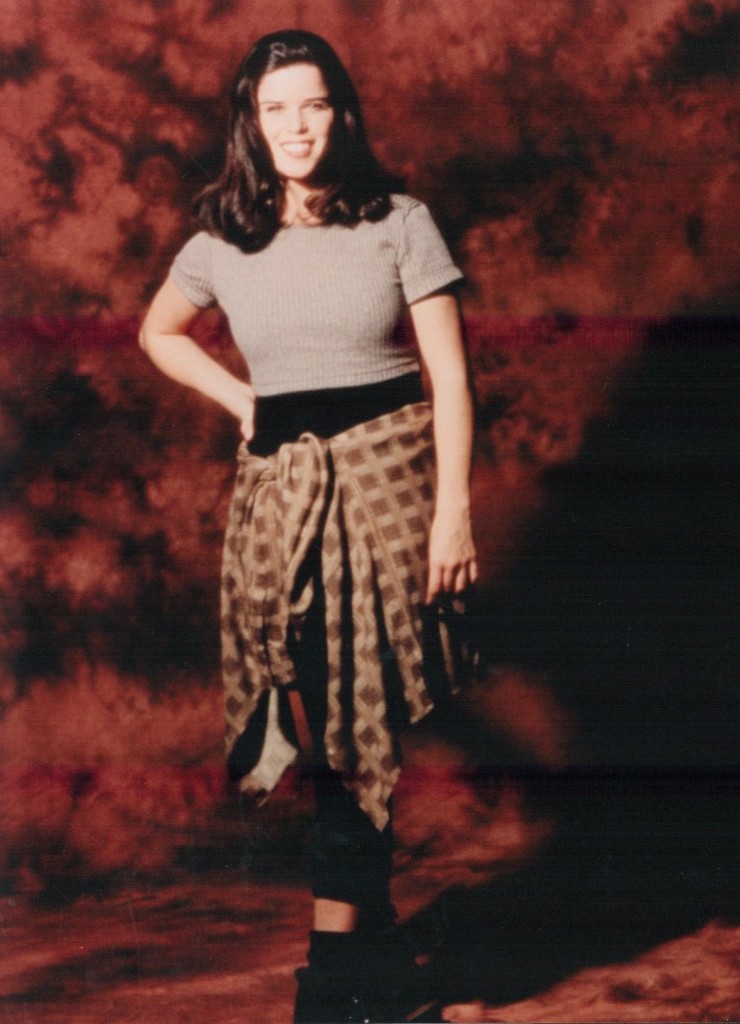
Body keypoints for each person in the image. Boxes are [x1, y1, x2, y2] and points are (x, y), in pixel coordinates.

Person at [139, 29, 477, 1023]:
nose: (295, 126)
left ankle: (330, 984)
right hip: (280, 509)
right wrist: (242, 399)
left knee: (353, 730)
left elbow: (451, 379)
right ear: (250, 122)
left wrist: (453, 514)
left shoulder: (400, 221)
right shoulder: (221, 240)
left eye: (314, 104)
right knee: (327, 728)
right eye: (275, 108)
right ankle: (364, 965)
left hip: (388, 500)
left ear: (342, 114)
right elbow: (158, 332)